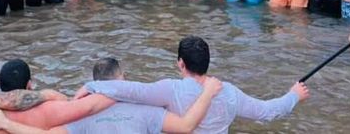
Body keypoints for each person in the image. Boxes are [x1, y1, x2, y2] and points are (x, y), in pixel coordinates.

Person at [83, 35, 310, 133]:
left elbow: (132, 91)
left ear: (180, 63)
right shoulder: (229, 92)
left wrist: (93, 86)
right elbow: (267, 112)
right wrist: (294, 95)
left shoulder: (170, 89)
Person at [0, 57, 223, 133]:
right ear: (123, 78)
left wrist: (6, 123)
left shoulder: (78, 113)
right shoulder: (148, 109)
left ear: (94, 84)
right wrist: (208, 93)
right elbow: (187, 126)